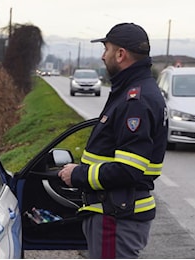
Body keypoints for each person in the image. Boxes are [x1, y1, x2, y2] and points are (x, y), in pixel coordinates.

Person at [58, 23, 168, 259]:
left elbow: (129, 170)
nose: (102, 55)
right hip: (113, 214)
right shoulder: (131, 91)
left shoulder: (135, 100)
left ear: (120, 54)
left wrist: (77, 175)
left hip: (116, 217)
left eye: (106, 49)